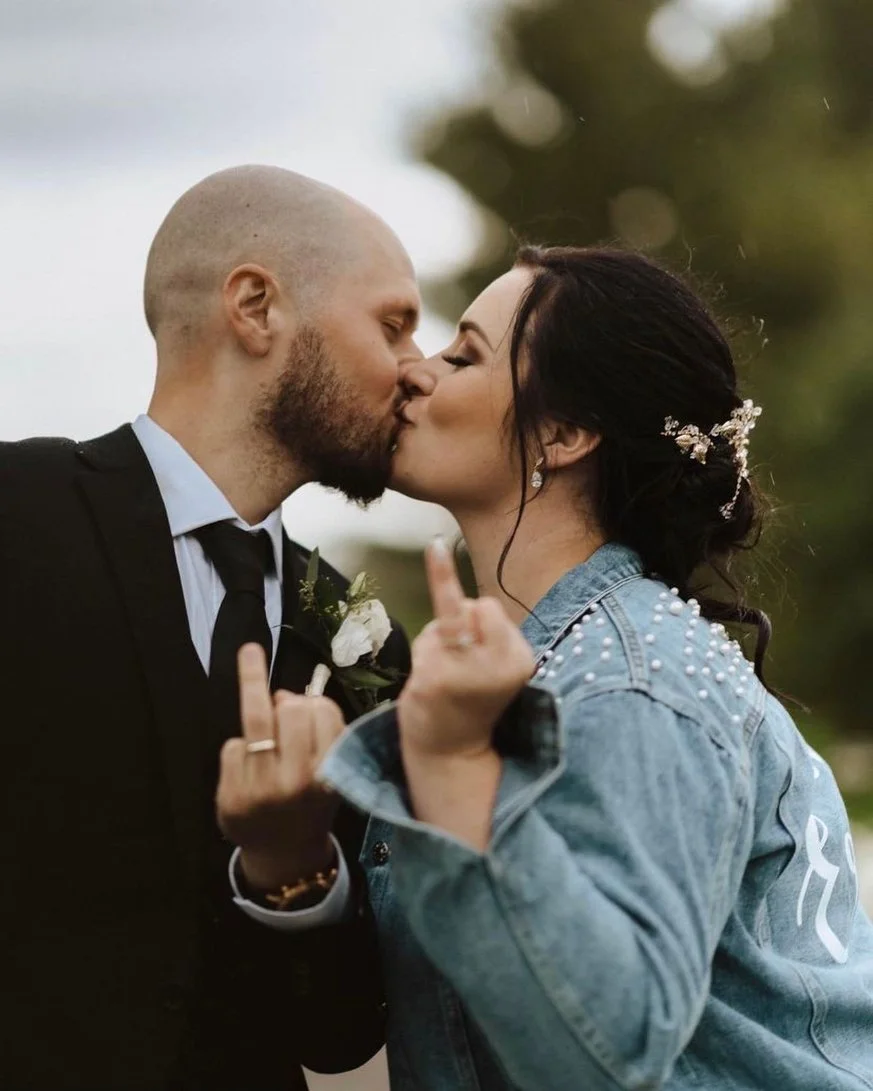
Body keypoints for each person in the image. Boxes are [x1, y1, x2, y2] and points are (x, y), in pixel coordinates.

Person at [231, 246, 873, 1090]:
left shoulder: (629, 682)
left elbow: (603, 1056)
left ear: (564, 433)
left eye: (463, 354)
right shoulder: (549, 669)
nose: (416, 373)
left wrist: (455, 773)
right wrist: (293, 860)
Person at [0, 165, 420, 1090]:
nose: (416, 367)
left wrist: (297, 868)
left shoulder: (368, 642)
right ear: (256, 306)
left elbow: (342, 1034)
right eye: (392, 324)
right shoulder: (15, 516)